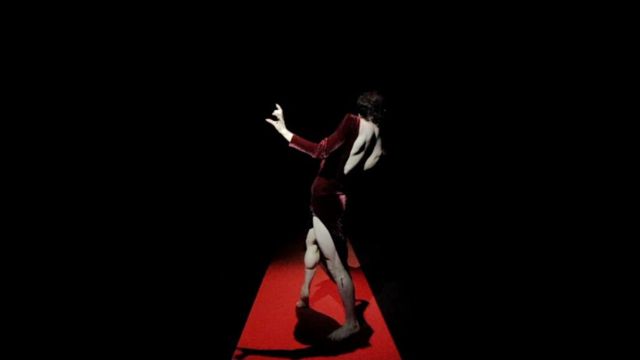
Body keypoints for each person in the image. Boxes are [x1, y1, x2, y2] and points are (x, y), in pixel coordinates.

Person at [265, 91, 384, 341]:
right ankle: (305, 293)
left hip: (327, 199)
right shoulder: (375, 130)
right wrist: (349, 172)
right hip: (335, 196)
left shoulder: (352, 121)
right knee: (312, 240)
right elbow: (374, 159)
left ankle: (352, 323)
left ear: (360, 108)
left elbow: (320, 150)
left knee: (335, 265)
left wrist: (284, 131)